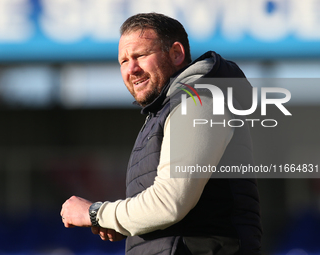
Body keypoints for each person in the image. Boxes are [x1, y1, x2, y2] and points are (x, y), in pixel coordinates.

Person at [61, 13, 262, 255]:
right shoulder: (166, 110)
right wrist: (125, 224)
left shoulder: (197, 101)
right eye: (123, 61)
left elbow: (169, 202)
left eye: (140, 56)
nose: (131, 69)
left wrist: (95, 214)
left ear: (176, 53)